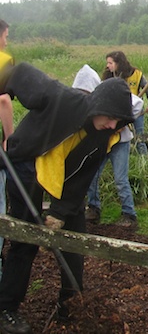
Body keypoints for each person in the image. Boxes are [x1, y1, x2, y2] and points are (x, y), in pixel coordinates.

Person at [0, 62, 133, 333]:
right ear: (99, 104)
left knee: (75, 239)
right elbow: (19, 72)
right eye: (111, 117)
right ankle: (6, 309)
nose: (113, 124)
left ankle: (71, 305)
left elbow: (81, 178)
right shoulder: (61, 98)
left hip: (63, 177)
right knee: (26, 241)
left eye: (119, 121)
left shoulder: (103, 135)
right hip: (26, 163)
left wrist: (60, 211)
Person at [84, 64, 145, 228]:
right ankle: (93, 209)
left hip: (120, 142)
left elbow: (139, 104)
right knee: (93, 175)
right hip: (102, 142)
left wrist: (123, 121)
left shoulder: (113, 95)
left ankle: (129, 215)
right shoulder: (92, 101)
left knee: (120, 179)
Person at [102, 50, 148, 155]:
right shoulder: (109, 76)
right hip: (117, 113)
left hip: (136, 111)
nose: (108, 66)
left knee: (139, 138)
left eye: (110, 63)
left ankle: (144, 161)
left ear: (118, 63)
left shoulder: (136, 74)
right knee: (117, 137)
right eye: (107, 63)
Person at [0, 19, 14, 280]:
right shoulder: (3, 60)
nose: (7, 40)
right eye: (5, 35)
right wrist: (10, 139)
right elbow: (3, 100)